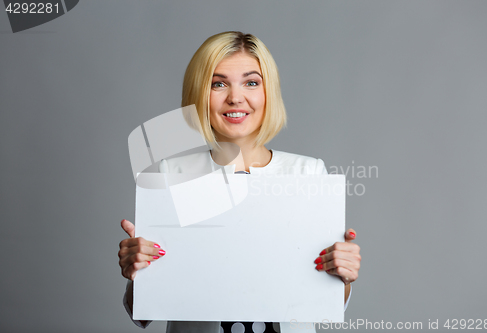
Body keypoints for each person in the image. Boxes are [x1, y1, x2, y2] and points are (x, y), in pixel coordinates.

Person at [118, 31, 361, 333]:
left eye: (251, 82)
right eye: (218, 83)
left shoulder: (308, 173)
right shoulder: (172, 174)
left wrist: (343, 275)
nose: (235, 97)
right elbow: (141, 315)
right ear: (198, 94)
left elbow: (328, 303)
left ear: (268, 92)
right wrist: (138, 274)